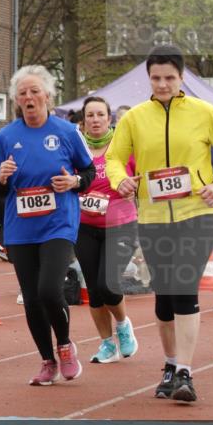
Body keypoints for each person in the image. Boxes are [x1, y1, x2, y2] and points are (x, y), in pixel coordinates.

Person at [106, 45, 213, 404]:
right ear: (148, 79)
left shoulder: (203, 112)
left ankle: (185, 372)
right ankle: (169, 365)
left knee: (184, 288)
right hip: (151, 217)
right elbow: (114, 158)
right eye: (156, 78)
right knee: (164, 299)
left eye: (169, 77)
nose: (163, 84)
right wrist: (121, 179)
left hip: (196, 213)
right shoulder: (134, 117)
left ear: (182, 78)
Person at [0, 66, 94, 385]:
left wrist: (74, 181)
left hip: (58, 224)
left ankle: (64, 345)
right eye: (22, 93)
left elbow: (89, 175)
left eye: (35, 91)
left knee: (49, 289)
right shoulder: (6, 137)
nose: (29, 97)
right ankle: (47, 360)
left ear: (48, 96)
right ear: (16, 101)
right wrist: (3, 179)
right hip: (20, 227)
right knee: (32, 297)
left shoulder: (67, 132)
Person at [76, 96, 138, 363]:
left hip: (120, 224)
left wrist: (134, 184)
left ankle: (123, 325)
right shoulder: (77, 148)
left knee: (107, 285)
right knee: (94, 290)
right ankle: (106, 344)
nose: (95, 120)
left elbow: (143, 176)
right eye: (90, 115)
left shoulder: (123, 147)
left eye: (100, 114)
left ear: (110, 118)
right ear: (84, 120)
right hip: (85, 226)